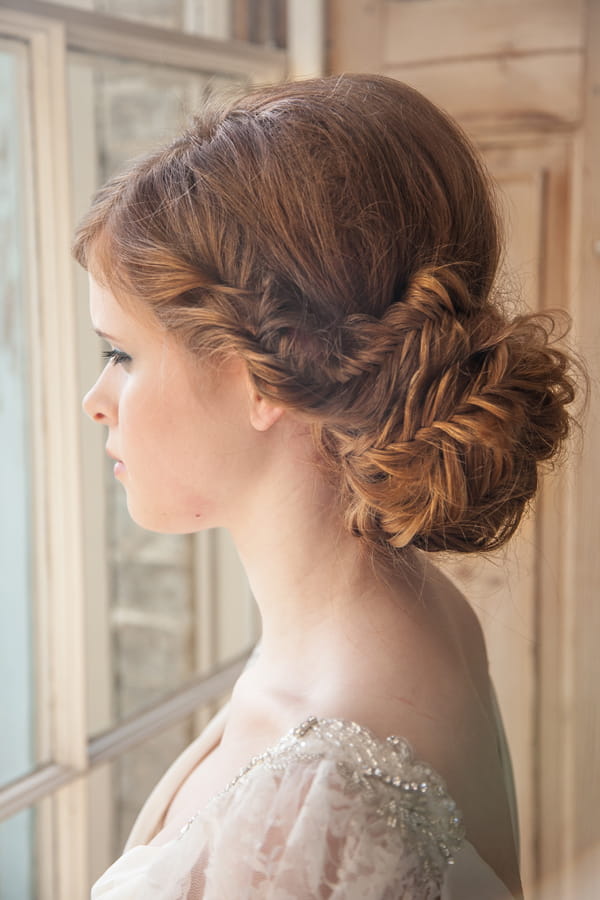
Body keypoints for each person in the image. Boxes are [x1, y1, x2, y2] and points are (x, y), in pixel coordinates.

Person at [75, 74, 576, 898]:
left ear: (266, 378)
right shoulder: (405, 606)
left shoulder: (316, 810)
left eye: (121, 354)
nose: (97, 403)